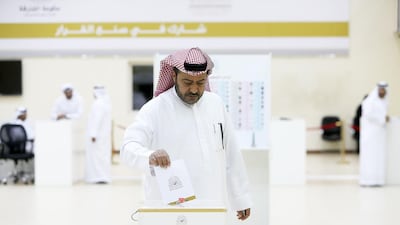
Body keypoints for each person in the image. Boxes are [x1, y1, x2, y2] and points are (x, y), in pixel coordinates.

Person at [121, 47, 252, 221]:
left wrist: (240, 198)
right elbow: (128, 147)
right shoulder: (155, 108)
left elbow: (231, 153)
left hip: (212, 204)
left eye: (200, 82)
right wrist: (149, 155)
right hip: (170, 210)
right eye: (187, 82)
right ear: (174, 76)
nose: (194, 89)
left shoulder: (215, 104)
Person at [359, 81, 389, 187]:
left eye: (384, 90)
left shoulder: (383, 102)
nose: (382, 91)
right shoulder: (370, 101)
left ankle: (377, 180)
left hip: (379, 136)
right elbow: (368, 115)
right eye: (380, 89)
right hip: (370, 135)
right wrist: (382, 118)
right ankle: (367, 181)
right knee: (369, 158)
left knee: (377, 158)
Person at [85, 86, 112, 184]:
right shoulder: (105, 103)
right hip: (103, 136)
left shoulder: (98, 104)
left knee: (96, 157)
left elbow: (97, 120)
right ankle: (102, 176)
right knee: (102, 156)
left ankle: (98, 177)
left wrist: (93, 134)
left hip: (97, 136)